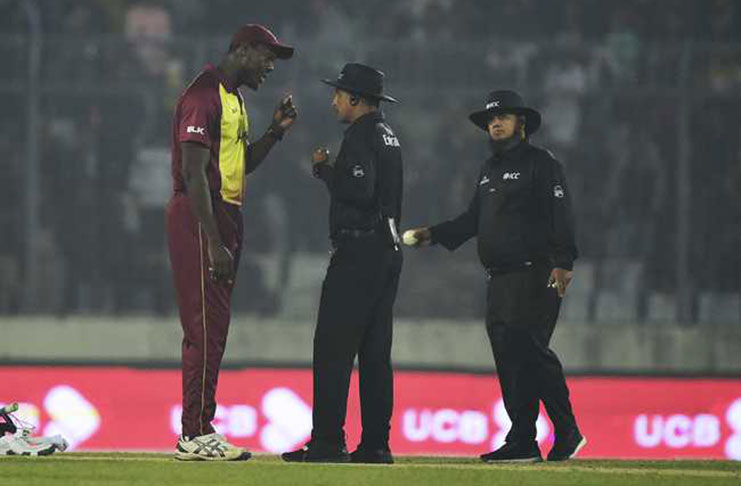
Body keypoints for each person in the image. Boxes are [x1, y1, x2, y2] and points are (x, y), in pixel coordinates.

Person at [405, 90, 586, 462]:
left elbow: (561, 211)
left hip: (536, 274)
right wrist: (435, 234)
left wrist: (563, 261)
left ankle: (566, 431)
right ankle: (522, 439)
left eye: (503, 116)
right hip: (499, 279)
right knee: (509, 357)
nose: (495, 123)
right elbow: (473, 220)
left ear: (522, 123)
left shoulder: (542, 163)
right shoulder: (488, 170)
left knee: (531, 352)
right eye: (490, 119)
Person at [166, 24, 296, 461]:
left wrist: (275, 133)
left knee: (214, 329)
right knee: (204, 328)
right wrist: (214, 240)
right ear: (242, 50)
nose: (270, 67)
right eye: (267, 57)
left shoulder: (234, 99)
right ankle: (194, 434)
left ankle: (201, 428)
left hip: (224, 214)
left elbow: (238, 165)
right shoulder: (205, 95)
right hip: (202, 216)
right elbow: (192, 174)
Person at [282, 64, 403, 464]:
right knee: (374, 353)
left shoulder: (361, 133)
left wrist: (325, 171)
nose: (334, 100)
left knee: (333, 347)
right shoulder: (389, 136)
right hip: (387, 250)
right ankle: (376, 445)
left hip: (359, 252)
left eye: (339, 94)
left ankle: (328, 442)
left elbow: (359, 189)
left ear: (356, 99)